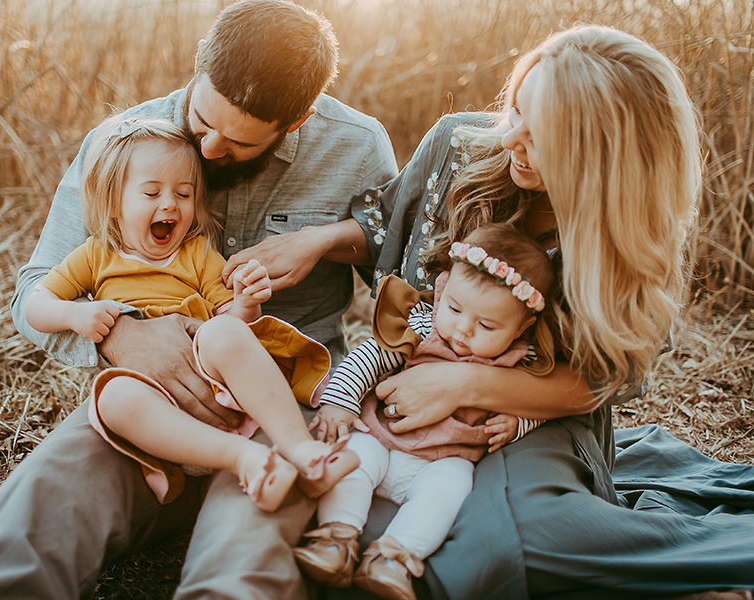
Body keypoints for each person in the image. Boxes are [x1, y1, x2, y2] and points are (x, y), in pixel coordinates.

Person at [0, 1, 396, 598]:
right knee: (45, 499)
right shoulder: (121, 143)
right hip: (146, 403)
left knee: (244, 545)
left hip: (281, 405)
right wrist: (119, 334)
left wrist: (330, 237)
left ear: (298, 120)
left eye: (237, 142)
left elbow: (405, 279)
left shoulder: (356, 148)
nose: (207, 149)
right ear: (198, 63)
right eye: (203, 121)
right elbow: (35, 289)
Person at [321, 23, 754, 599]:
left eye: (540, 134)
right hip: (409, 395)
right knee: (350, 489)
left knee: (518, 537)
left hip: (534, 417)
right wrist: (313, 242)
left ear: (601, 159)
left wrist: (463, 383)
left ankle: (703, 565)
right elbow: (385, 231)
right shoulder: (459, 147)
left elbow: (603, 381)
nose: (509, 140)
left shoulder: (624, 233)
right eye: (516, 111)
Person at [24, 116, 359, 512]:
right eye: (151, 193)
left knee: (221, 333)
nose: (169, 204)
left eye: (183, 194)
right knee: (113, 396)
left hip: (210, 378)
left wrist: (248, 303)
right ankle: (243, 458)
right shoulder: (95, 255)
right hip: (150, 395)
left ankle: (303, 452)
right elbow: (35, 304)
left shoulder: (196, 253)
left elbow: (232, 321)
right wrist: (74, 316)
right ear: (114, 203)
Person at [294, 223, 554, 600]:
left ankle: (395, 556)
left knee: (451, 491)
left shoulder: (518, 362)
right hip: (382, 437)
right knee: (353, 460)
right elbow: (370, 357)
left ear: (521, 328)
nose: (462, 330)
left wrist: (518, 422)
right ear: (444, 289)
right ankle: (336, 538)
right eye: (454, 309)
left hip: (443, 461)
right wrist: (340, 401)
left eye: (486, 325)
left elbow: (536, 402)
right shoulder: (420, 326)